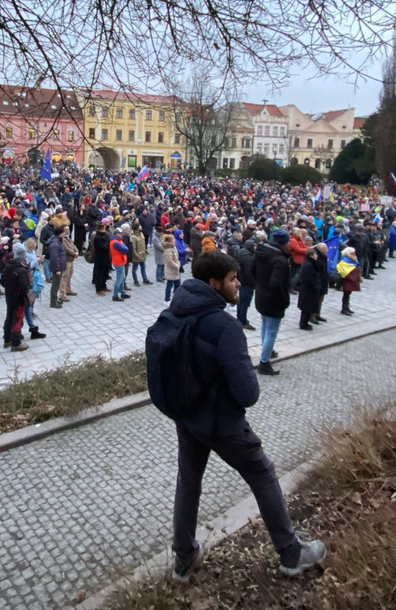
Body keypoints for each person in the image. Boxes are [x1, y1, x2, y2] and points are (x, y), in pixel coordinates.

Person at [160, 250, 327, 582]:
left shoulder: (175, 311)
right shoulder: (225, 326)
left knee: (188, 481)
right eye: (232, 279)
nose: (238, 284)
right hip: (222, 422)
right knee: (263, 474)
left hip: (187, 417)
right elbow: (248, 393)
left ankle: (184, 557)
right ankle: (291, 553)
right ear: (214, 283)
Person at [253, 228, 292, 375]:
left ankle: (267, 351)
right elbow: (276, 283)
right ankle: (264, 362)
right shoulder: (280, 259)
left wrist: (260, 285)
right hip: (273, 299)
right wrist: (284, 299)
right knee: (271, 331)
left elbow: (252, 271)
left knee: (265, 324)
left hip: (261, 294)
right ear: (284, 242)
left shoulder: (260, 253)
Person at [1, 242, 34, 351]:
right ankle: (16, 342)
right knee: (18, 319)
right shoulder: (21, 270)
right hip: (19, 299)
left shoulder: (8, 266)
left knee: (9, 317)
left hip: (9, 296)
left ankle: (7, 339)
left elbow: (3, 283)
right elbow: (25, 287)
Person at [295, 243, 327, 330]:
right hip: (308, 290)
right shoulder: (308, 265)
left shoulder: (312, 263)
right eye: (315, 254)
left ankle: (306, 322)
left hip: (311, 290)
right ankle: (303, 324)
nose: (316, 256)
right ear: (311, 256)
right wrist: (316, 286)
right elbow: (308, 279)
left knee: (309, 307)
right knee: (306, 308)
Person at [46, 223, 68, 309]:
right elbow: (55, 257)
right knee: (55, 285)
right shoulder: (55, 243)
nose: (65, 234)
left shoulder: (58, 241)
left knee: (57, 284)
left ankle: (55, 300)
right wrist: (57, 268)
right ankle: (53, 302)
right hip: (57, 268)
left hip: (59, 266)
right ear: (60, 234)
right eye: (63, 232)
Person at [336, 246, 361, 316]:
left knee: (348, 294)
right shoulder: (345, 261)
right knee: (346, 294)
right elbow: (344, 272)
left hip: (352, 280)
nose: (354, 254)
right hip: (347, 280)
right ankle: (344, 309)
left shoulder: (353, 260)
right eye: (352, 253)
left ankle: (347, 307)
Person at [110, 226, 131, 301]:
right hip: (118, 262)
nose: (122, 234)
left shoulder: (118, 240)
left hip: (120, 261)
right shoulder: (116, 242)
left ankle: (123, 293)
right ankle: (115, 295)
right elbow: (126, 249)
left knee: (122, 278)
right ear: (117, 234)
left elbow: (125, 247)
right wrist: (124, 246)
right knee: (119, 279)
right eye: (121, 233)